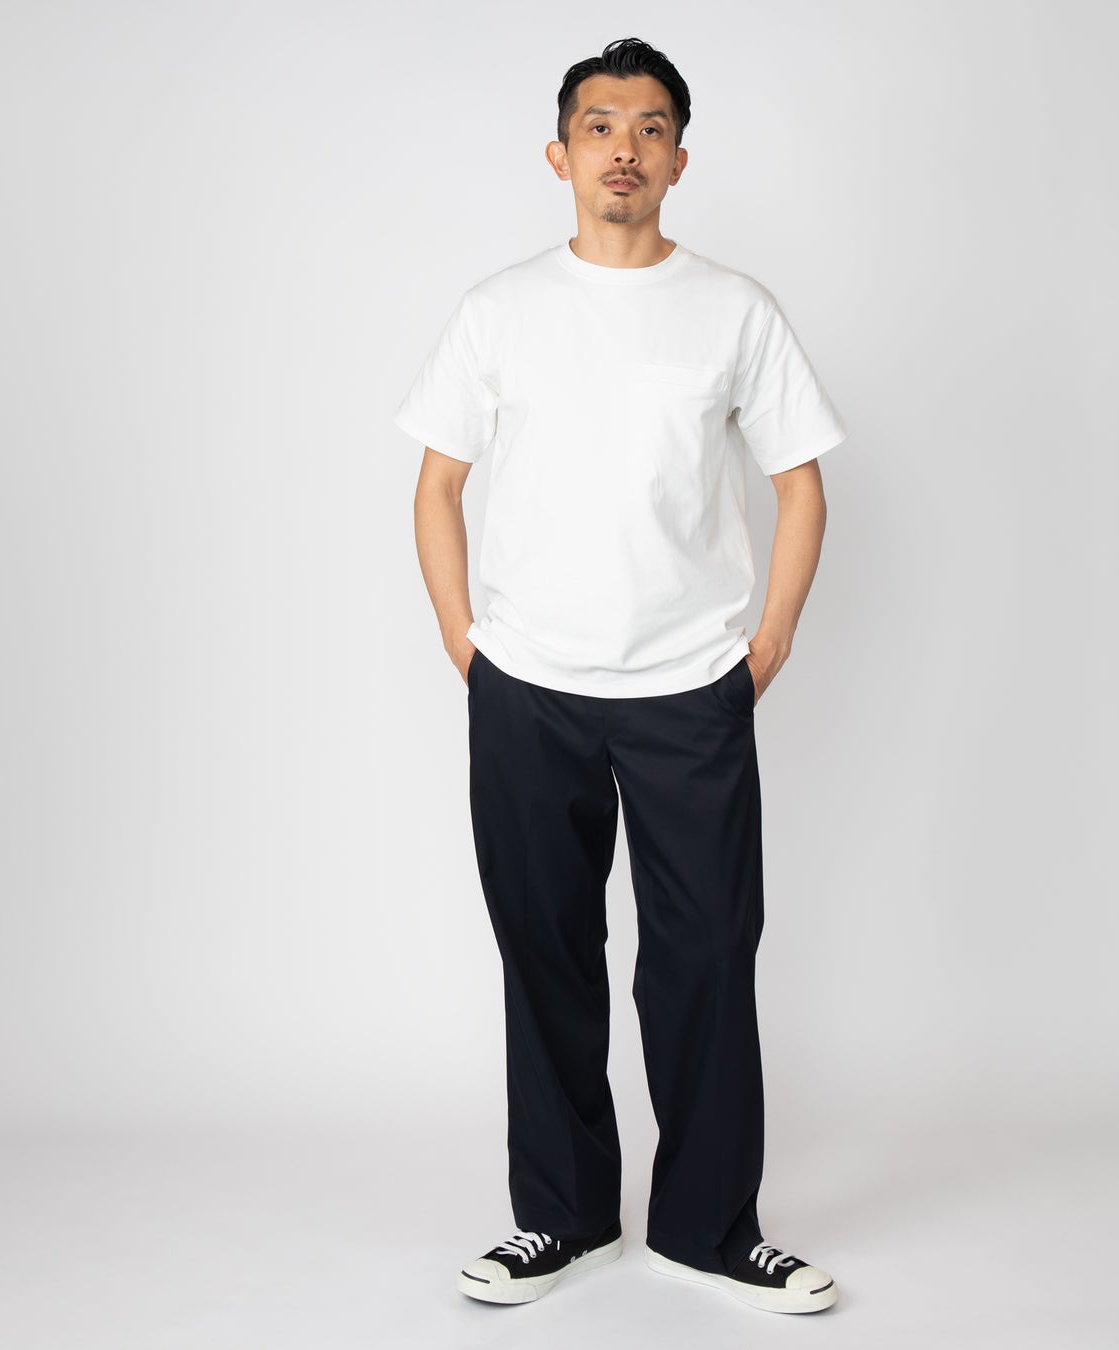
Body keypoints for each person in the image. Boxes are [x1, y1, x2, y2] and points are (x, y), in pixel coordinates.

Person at [394, 36, 848, 1316]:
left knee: (705, 956)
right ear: (559, 155)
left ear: (680, 160)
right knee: (544, 950)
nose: (624, 150)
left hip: (689, 689)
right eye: (600, 126)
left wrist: (769, 643)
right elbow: (437, 484)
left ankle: (710, 1228)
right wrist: (465, 640)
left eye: (651, 129)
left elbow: (801, 483)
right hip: (527, 685)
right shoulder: (499, 310)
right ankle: (563, 1217)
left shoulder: (734, 309)